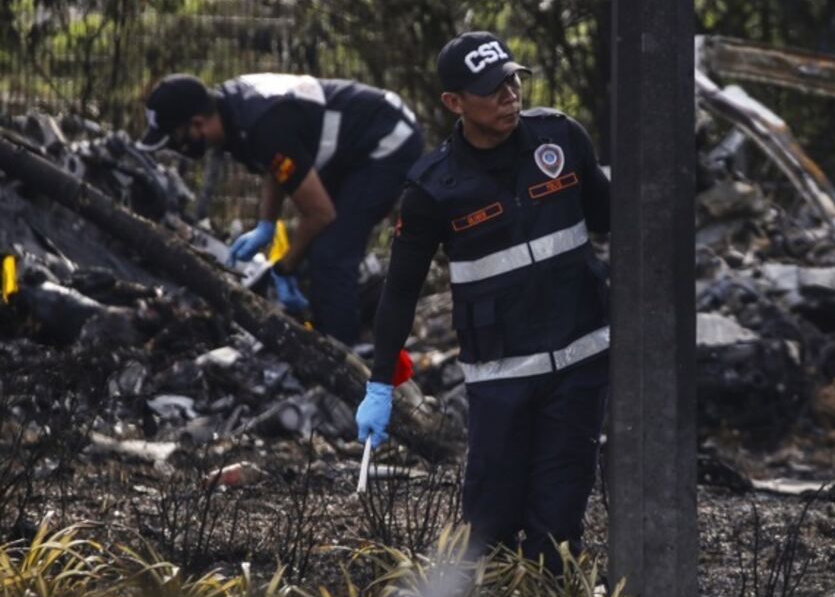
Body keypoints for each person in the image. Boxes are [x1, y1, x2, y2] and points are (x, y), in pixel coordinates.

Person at [355, 30, 611, 568]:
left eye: (513, 80)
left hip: (579, 365)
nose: (509, 94)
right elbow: (400, 288)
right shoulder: (432, 189)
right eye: (493, 88)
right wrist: (380, 380)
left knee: (558, 524)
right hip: (500, 377)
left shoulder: (561, 140)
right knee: (489, 523)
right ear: (454, 102)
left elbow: (615, 221)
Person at [138, 72, 424, 343]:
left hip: (387, 141)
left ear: (197, 124)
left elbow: (321, 213)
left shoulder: (261, 124)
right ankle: (342, 326)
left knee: (331, 253)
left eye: (176, 139)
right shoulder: (232, 111)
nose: (178, 148)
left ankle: (346, 358)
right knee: (316, 249)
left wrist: (285, 268)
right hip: (356, 144)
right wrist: (267, 224)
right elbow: (273, 164)